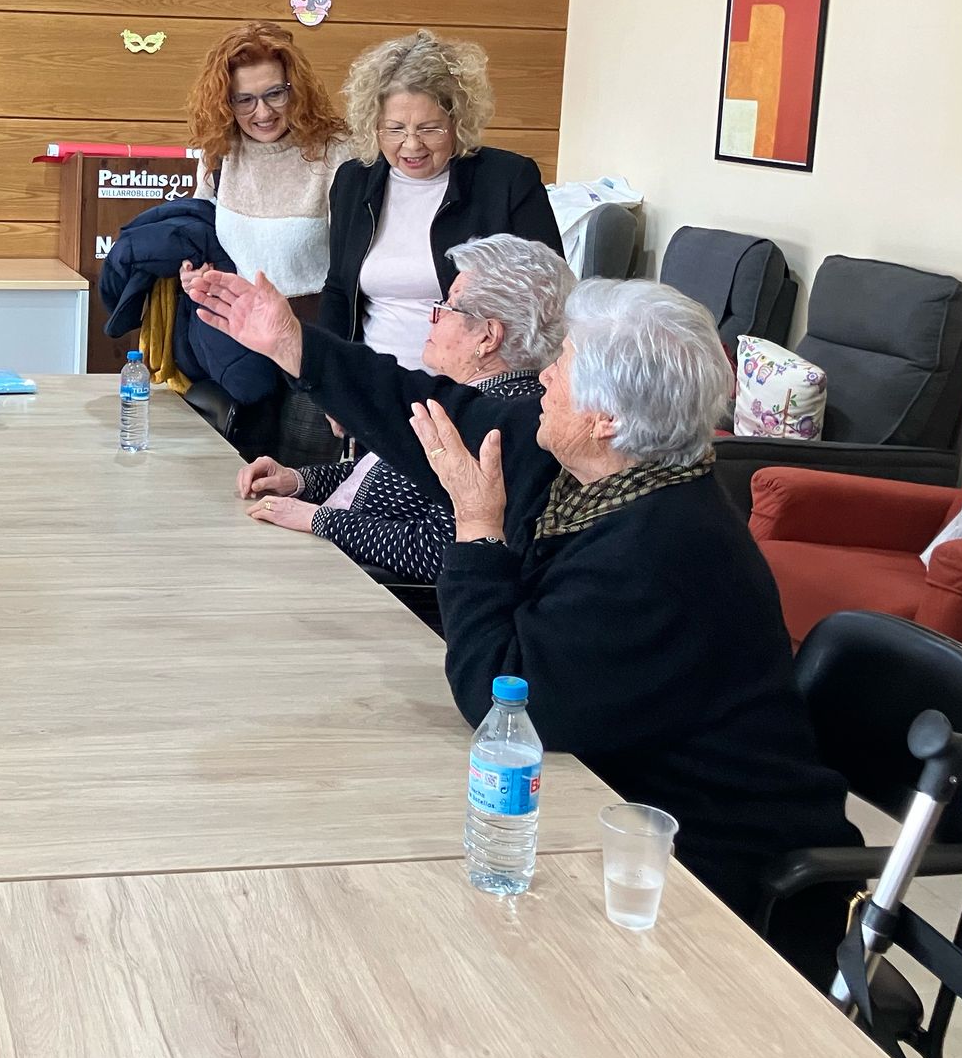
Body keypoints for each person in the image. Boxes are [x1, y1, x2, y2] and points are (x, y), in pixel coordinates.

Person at [189, 266, 861, 980]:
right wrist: (293, 345)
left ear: (605, 418)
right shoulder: (595, 469)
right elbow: (435, 415)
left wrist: (477, 530)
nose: (543, 376)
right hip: (604, 809)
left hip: (704, 880)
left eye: (562, 365)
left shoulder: (666, 550)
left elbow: (502, 698)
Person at [235, 235, 570, 612]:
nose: (433, 316)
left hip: (372, 600)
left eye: (447, 306)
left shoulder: (496, 423)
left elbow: (435, 549)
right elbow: (386, 478)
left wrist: (320, 519)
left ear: (488, 337)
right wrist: (300, 481)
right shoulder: (467, 394)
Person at [322, 31, 562, 367]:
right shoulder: (353, 181)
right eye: (394, 129)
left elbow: (547, 295)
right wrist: (330, 375)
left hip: (473, 381)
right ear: (373, 126)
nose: (412, 145)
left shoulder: (507, 180)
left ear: (457, 121)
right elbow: (338, 289)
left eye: (429, 128)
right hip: (371, 380)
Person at [184, 21, 354, 464]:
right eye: (244, 99)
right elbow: (210, 241)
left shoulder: (338, 154)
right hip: (240, 343)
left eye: (275, 94)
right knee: (237, 478)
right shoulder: (219, 154)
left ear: (296, 89)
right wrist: (197, 275)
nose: (262, 112)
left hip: (312, 341)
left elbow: (359, 265)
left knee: (303, 478)